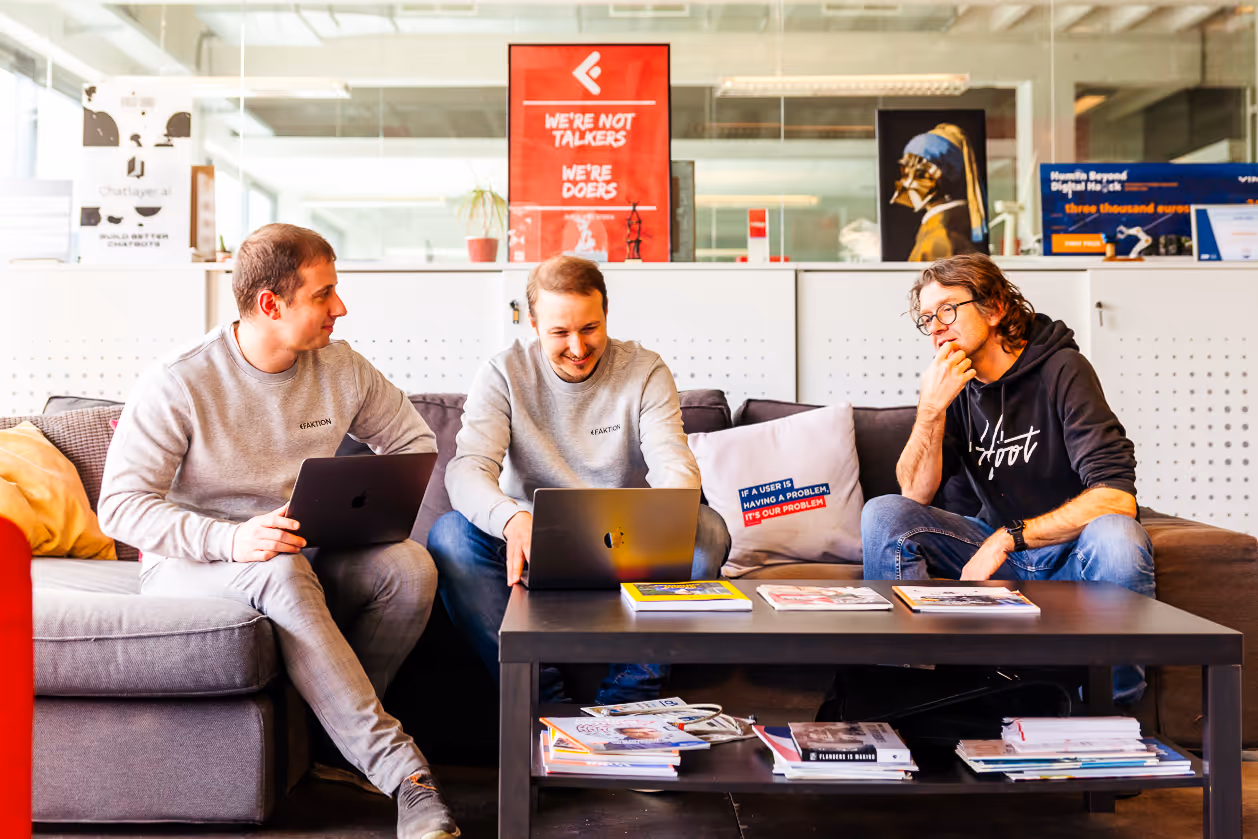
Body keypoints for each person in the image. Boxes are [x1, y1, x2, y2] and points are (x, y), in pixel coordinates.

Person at [98, 223, 459, 839]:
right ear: (271, 304)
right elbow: (121, 508)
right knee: (277, 565)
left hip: (295, 549)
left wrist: (349, 509)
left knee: (411, 567)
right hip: (194, 564)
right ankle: (405, 775)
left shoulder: (340, 366)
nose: (339, 308)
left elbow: (413, 442)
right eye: (324, 295)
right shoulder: (181, 380)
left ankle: (329, 749)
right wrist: (231, 540)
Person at [428, 254, 731, 704]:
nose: (577, 346)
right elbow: (468, 468)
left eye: (590, 328)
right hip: (531, 538)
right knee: (450, 536)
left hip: (631, 541)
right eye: (559, 332)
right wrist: (511, 520)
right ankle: (540, 701)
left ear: (606, 313)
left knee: (706, 530)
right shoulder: (502, 373)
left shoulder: (645, 369)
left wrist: (665, 519)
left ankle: (630, 702)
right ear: (533, 323)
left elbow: (674, 462)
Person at [861, 253, 1154, 704]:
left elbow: (1116, 498)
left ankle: (1113, 715)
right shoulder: (954, 386)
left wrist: (1006, 538)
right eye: (926, 318)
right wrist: (930, 411)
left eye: (947, 310)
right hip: (996, 549)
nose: (936, 326)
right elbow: (913, 494)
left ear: (995, 308)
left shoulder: (1063, 370)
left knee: (1117, 535)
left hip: (1070, 552)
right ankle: (907, 698)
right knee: (883, 513)